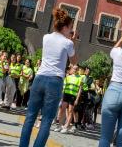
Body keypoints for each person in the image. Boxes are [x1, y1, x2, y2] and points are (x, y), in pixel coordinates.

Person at [19, 8, 78, 147]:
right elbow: (74, 61)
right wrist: (72, 42)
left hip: (40, 77)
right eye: (70, 28)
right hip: (55, 81)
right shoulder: (68, 43)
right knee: (46, 120)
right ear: (65, 27)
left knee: (30, 117)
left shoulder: (46, 37)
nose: (71, 31)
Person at [56, 64, 83, 134]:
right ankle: (60, 125)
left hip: (73, 96)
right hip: (66, 95)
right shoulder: (68, 77)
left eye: (76, 69)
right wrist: (62, 97)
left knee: (71, 111)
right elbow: (64, 87)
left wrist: (77, 99)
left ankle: (66, 127)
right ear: (72, 69)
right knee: (62, 109)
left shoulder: (80, 78)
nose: (75, 70)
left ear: (78, 70)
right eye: (74, 68)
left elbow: (80, 89)